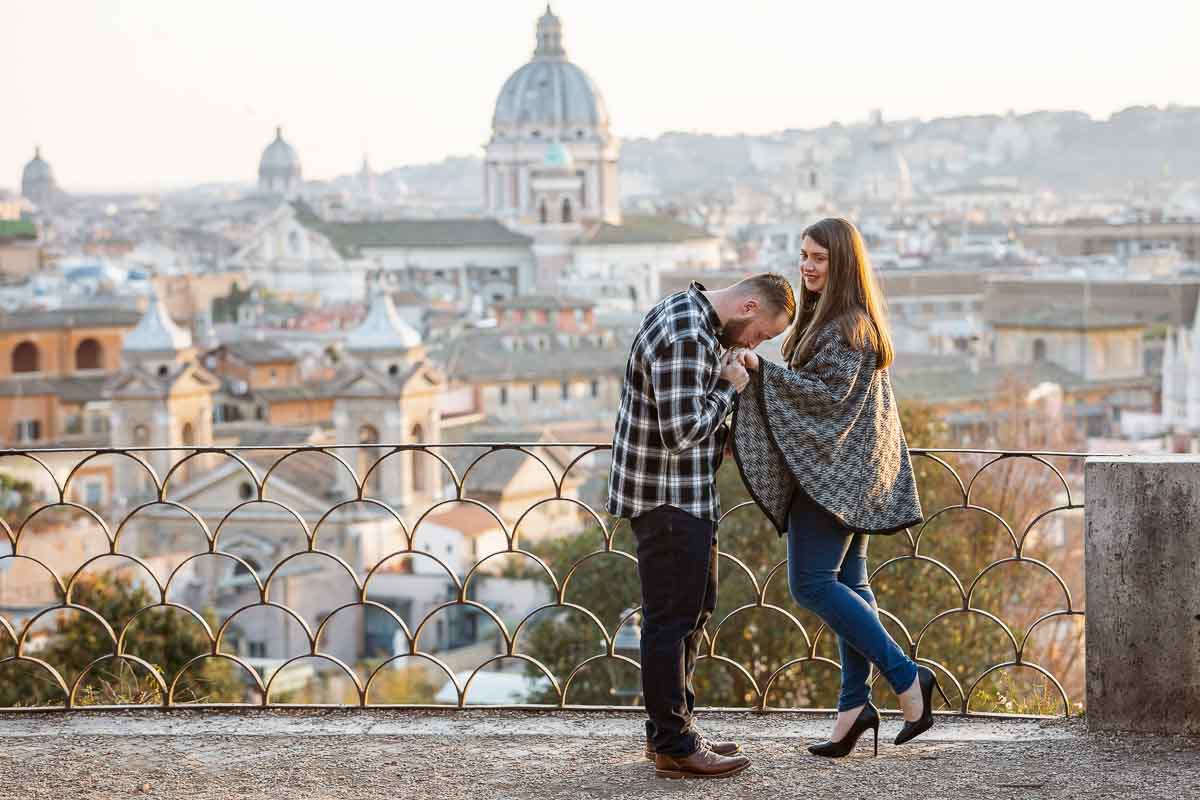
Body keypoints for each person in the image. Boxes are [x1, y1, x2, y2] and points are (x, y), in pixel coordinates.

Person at [731, 218, 946, 758]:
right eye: (803, 254)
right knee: (850, 582)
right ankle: (853, 708)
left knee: (810, 584)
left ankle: (907, 678)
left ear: (843, 263)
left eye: (819, 258)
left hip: (834, 477)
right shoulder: (832, 319)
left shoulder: (847, 324)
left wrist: (760, 369)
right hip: (851, 472)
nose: (806, 266)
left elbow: (827, 400)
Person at [607, 275, 794, 779]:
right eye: (760, 333)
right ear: (749, 304)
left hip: (683, 495)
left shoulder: (690, 316)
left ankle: (673, 729)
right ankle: (673, 743)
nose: (754, 344)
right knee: (671, 618)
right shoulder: (689, 334)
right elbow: (680, 431)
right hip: (668, 497)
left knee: (691, 610)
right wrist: (730, 388)